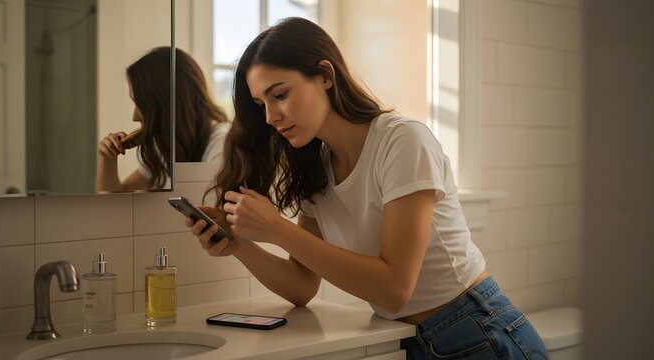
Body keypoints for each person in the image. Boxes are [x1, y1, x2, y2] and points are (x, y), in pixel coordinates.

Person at [188, 17, 548, 359]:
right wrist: (240, 246)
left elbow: (394, 290)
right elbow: (302, 287)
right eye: (260, 104)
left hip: (477, 331)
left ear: (325, 76)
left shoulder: (402, 141)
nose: (270, 116)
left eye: (279, 94)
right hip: (409, 339)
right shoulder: (315, 165)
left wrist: (277, 229)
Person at [96, 47, 230, 192]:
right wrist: (107, 159)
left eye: (140, 104)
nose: (134, 116)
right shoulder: (165, 146)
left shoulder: (221, 143)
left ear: (163, 103)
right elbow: (114, 204)